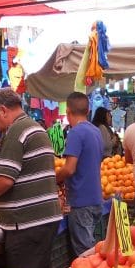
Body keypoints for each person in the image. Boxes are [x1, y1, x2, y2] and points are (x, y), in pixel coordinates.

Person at [0, 88, 62, 268]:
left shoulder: (15, 132)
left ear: (3, 110)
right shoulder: (34, 127)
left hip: (27, 223)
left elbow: (5, 179)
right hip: (42, 219)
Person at [56, 92, 104, 256]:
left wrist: (55, 179)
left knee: (85, 255)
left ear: (68, 111)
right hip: (96, 199)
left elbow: (69, 168)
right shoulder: (95, 131)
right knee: (91, 249)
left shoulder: (76, 133)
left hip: (81, 201)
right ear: (88, 110)